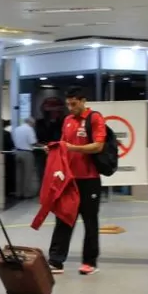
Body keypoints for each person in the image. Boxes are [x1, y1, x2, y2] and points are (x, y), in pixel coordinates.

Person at [47, 86, 105, 276]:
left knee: (90, 221)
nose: (71, 108)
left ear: (83, 101)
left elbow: (98, 146)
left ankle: (90, 262)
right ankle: (56, 261)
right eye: (68, 104)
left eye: (74, 104)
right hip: (70, 179)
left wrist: (73, 148)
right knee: (63, 218)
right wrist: (56, 149)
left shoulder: (95, 118)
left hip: (89, 179)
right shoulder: (67, 120)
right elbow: (65, 145)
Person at [12, 117, 39, 198]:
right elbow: (33, 142)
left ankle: (18, 193)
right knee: (27, 174)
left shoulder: (17, 129)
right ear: (31, 123)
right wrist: (42, 145)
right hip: (27, 153)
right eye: (33, 124)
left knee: (19, 174)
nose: (33, 125)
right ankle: (27, 194)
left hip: (17, 152)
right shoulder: (29, 129)